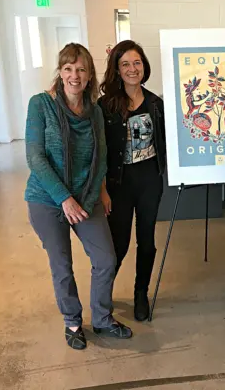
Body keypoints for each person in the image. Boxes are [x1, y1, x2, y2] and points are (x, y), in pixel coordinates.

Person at [25, 43, 133, 350]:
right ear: (60, 72)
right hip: (47, 200)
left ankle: (102, 318)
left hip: (86, 197)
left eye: (81, 69)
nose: (75, 75)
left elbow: (101, 157)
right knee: (62, 265)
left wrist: (98, 192)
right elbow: (35, 157)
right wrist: (64, 198)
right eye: (69, 68)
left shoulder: (94, 112)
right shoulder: (40, 105)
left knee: (105, 259)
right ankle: (72, 322)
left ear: (89, 76)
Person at [98, 40, 166, 322]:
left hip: (149, 179)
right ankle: (102, 295)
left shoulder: (155, 103)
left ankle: (141, 293)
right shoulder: (105, 106)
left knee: (147, 242)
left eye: (136, 62)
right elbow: (99, 151)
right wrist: (102, 190)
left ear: (144, 66)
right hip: (119, 182)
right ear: (116, 69)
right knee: (119, 243)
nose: (132, 69)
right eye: (125, 63)